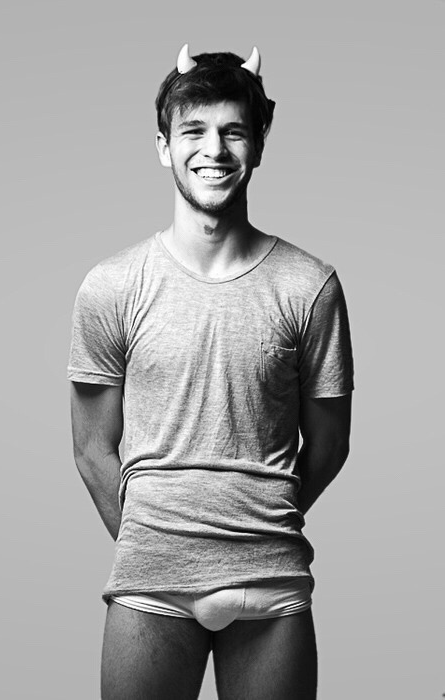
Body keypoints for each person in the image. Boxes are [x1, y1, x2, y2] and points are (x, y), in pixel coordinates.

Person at [68, 43, 354, 700]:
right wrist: (153, 539)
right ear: (163, 146)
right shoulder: (110, 286)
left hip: (270, 584)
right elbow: (90, 447)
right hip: (149, 585)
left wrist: (258, 520)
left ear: (258, 146)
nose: (214, 150)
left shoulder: (310, 286)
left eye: (234, 131)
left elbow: (331, 442)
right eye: (193, 131)